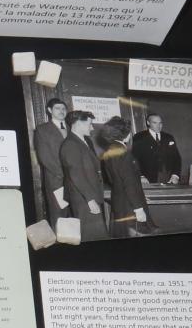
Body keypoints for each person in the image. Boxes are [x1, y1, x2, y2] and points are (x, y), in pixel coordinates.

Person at [59, 110, 110, 241]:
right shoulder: (71, 144)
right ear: (78, 124)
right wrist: (90, 200)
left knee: (97, 233)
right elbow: (76, 175)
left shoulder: (84, 141)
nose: (92, 128)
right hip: (83, 198)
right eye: (89, 124)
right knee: (92, 235)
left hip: (90, 194)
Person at [96, 118, 149, 235]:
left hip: (119, 201)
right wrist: (138, 208)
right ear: (127, 134)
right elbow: (128, 182)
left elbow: (112, 178)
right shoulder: (123, 152)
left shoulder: (110, 150)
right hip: (129, 205)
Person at [32, 97, 70, 225]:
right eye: (57, 108)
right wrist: (63, 174)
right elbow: (44, 157)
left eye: (63, 108)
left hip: (75, 180)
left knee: (74, 215)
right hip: (56, 179)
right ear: (49, 110)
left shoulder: (72, 128)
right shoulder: (42, 129)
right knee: (59, 215)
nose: (61, 111)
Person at [129, 112, 183, 185]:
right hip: (149, 178)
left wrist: (175, 175)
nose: (158, 126)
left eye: (160, 123)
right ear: (148, 123)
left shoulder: (168, 137)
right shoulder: (139, 137)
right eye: (155, 123)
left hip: (169, 177)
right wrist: (141, 176)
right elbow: (134, 159)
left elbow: (177, 158)